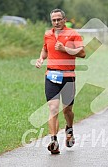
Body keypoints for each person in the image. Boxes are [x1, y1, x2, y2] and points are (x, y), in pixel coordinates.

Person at [35, 8, 85, 154]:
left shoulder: (73, 34)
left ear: (64, 19)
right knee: (53, 108)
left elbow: (82, 53)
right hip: (51, 75)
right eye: (54, 20)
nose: (56, 22)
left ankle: (69, 129)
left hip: (68, 77)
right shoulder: (48, 34)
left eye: (59, 19)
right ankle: (54, 141)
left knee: (67, 110)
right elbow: (45, 49)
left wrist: (65, 49)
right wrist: (41, 58)